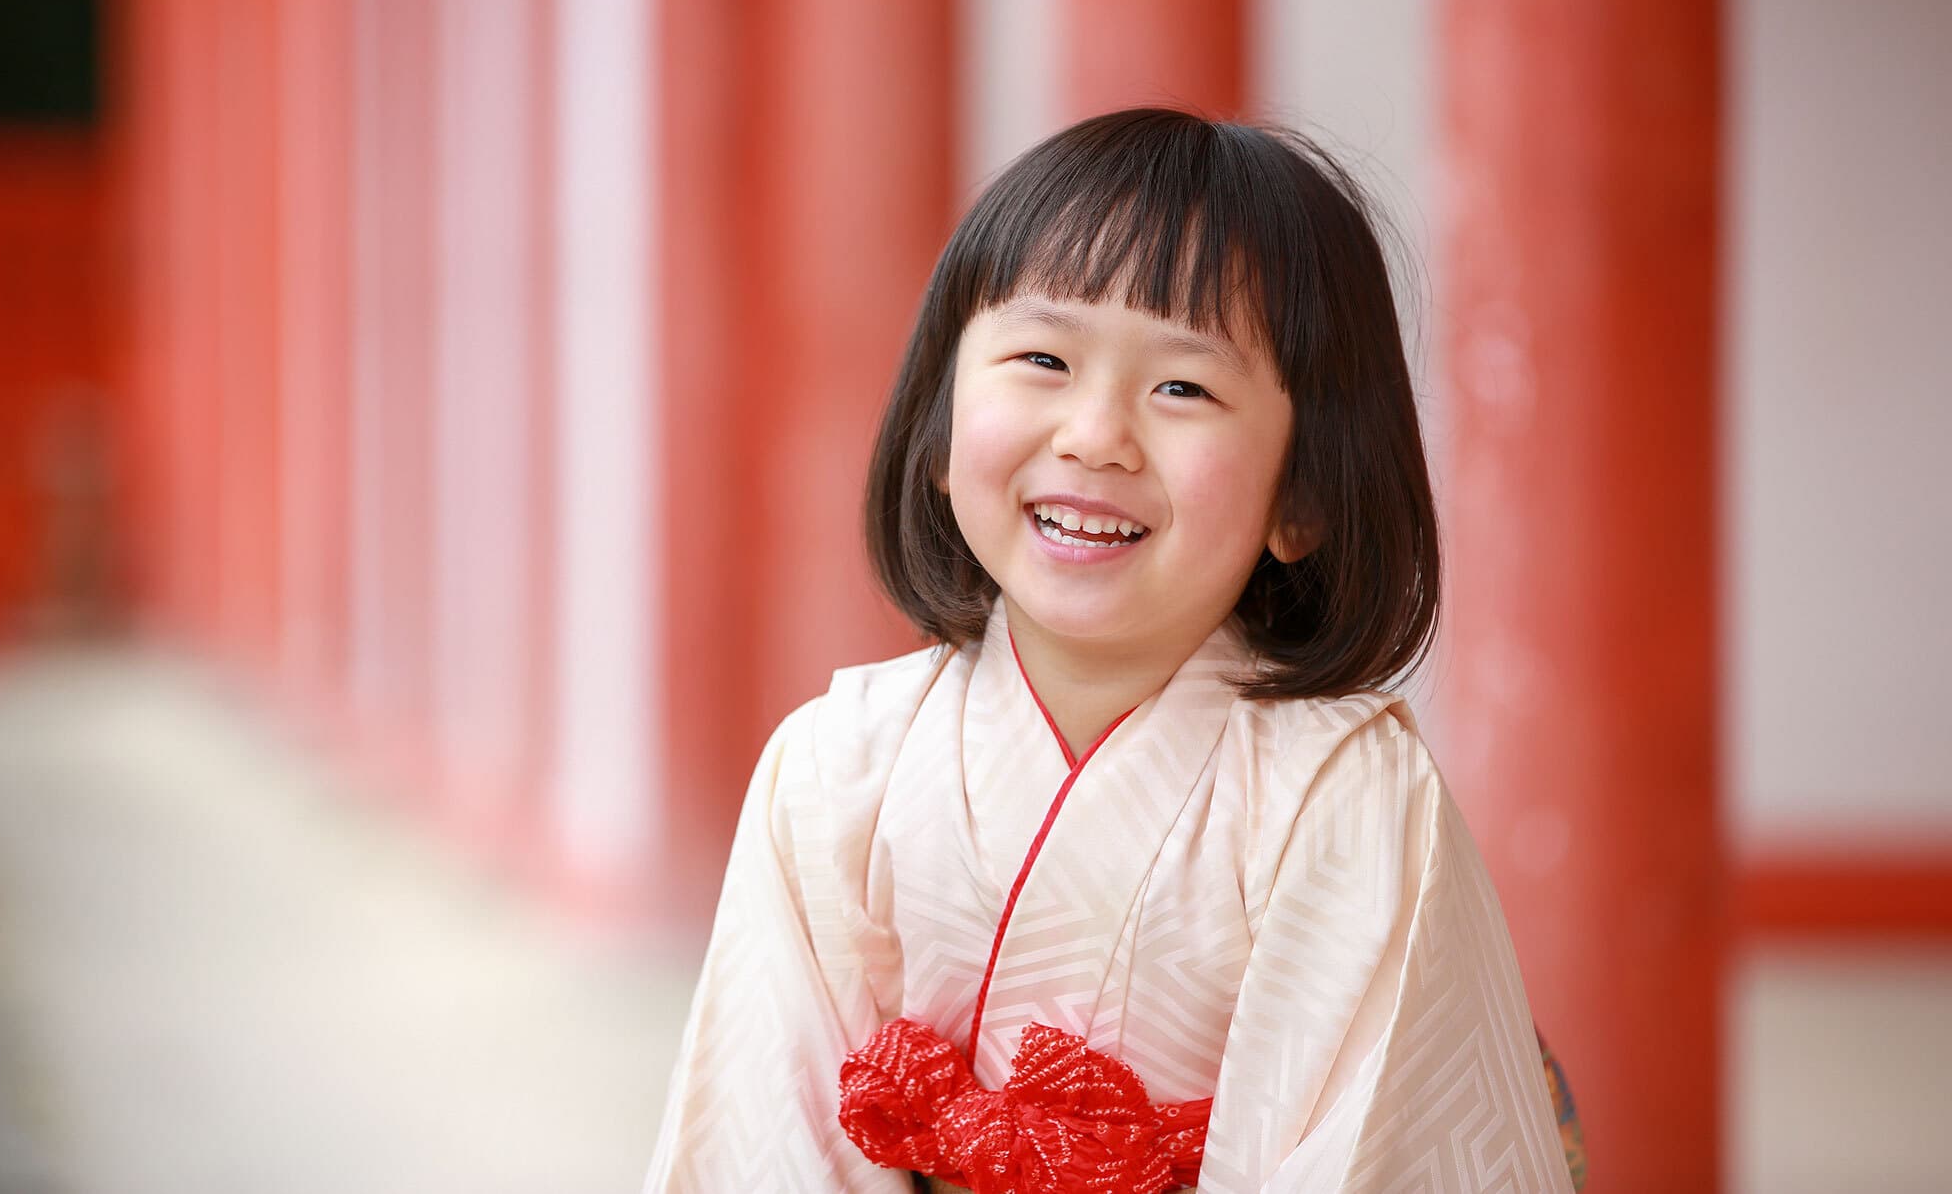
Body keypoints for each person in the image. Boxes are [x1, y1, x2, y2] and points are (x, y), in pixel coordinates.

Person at [644, 108, 1585, 1192]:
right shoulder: (832, 771)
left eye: (1181, 386)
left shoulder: (1344, 793)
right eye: (1042, 357)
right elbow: (765, 1139)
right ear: (942, 435)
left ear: (1304, 495)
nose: (1094, 434)